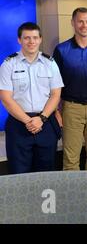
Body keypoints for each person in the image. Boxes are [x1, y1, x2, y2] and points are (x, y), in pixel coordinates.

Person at [0, 22, 63, 173]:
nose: (31, 42)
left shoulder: (50, 63)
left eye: (35, 38)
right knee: (19, 173)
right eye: (26, 38)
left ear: (40, 39)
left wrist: (41, 119)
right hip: (19, 124)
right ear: (19, 40)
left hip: (46, 122)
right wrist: (29, 121)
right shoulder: (9, 64)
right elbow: (6, 98)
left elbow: (56, 95)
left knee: (46, 172)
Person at [53, 7, 87, 170]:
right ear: (73, 23)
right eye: (80, 21)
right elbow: (54, 84)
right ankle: (74, 196)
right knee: (70, 159)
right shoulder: (61, 50)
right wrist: (56, 111)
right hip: (71, 108)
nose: (84, 25)